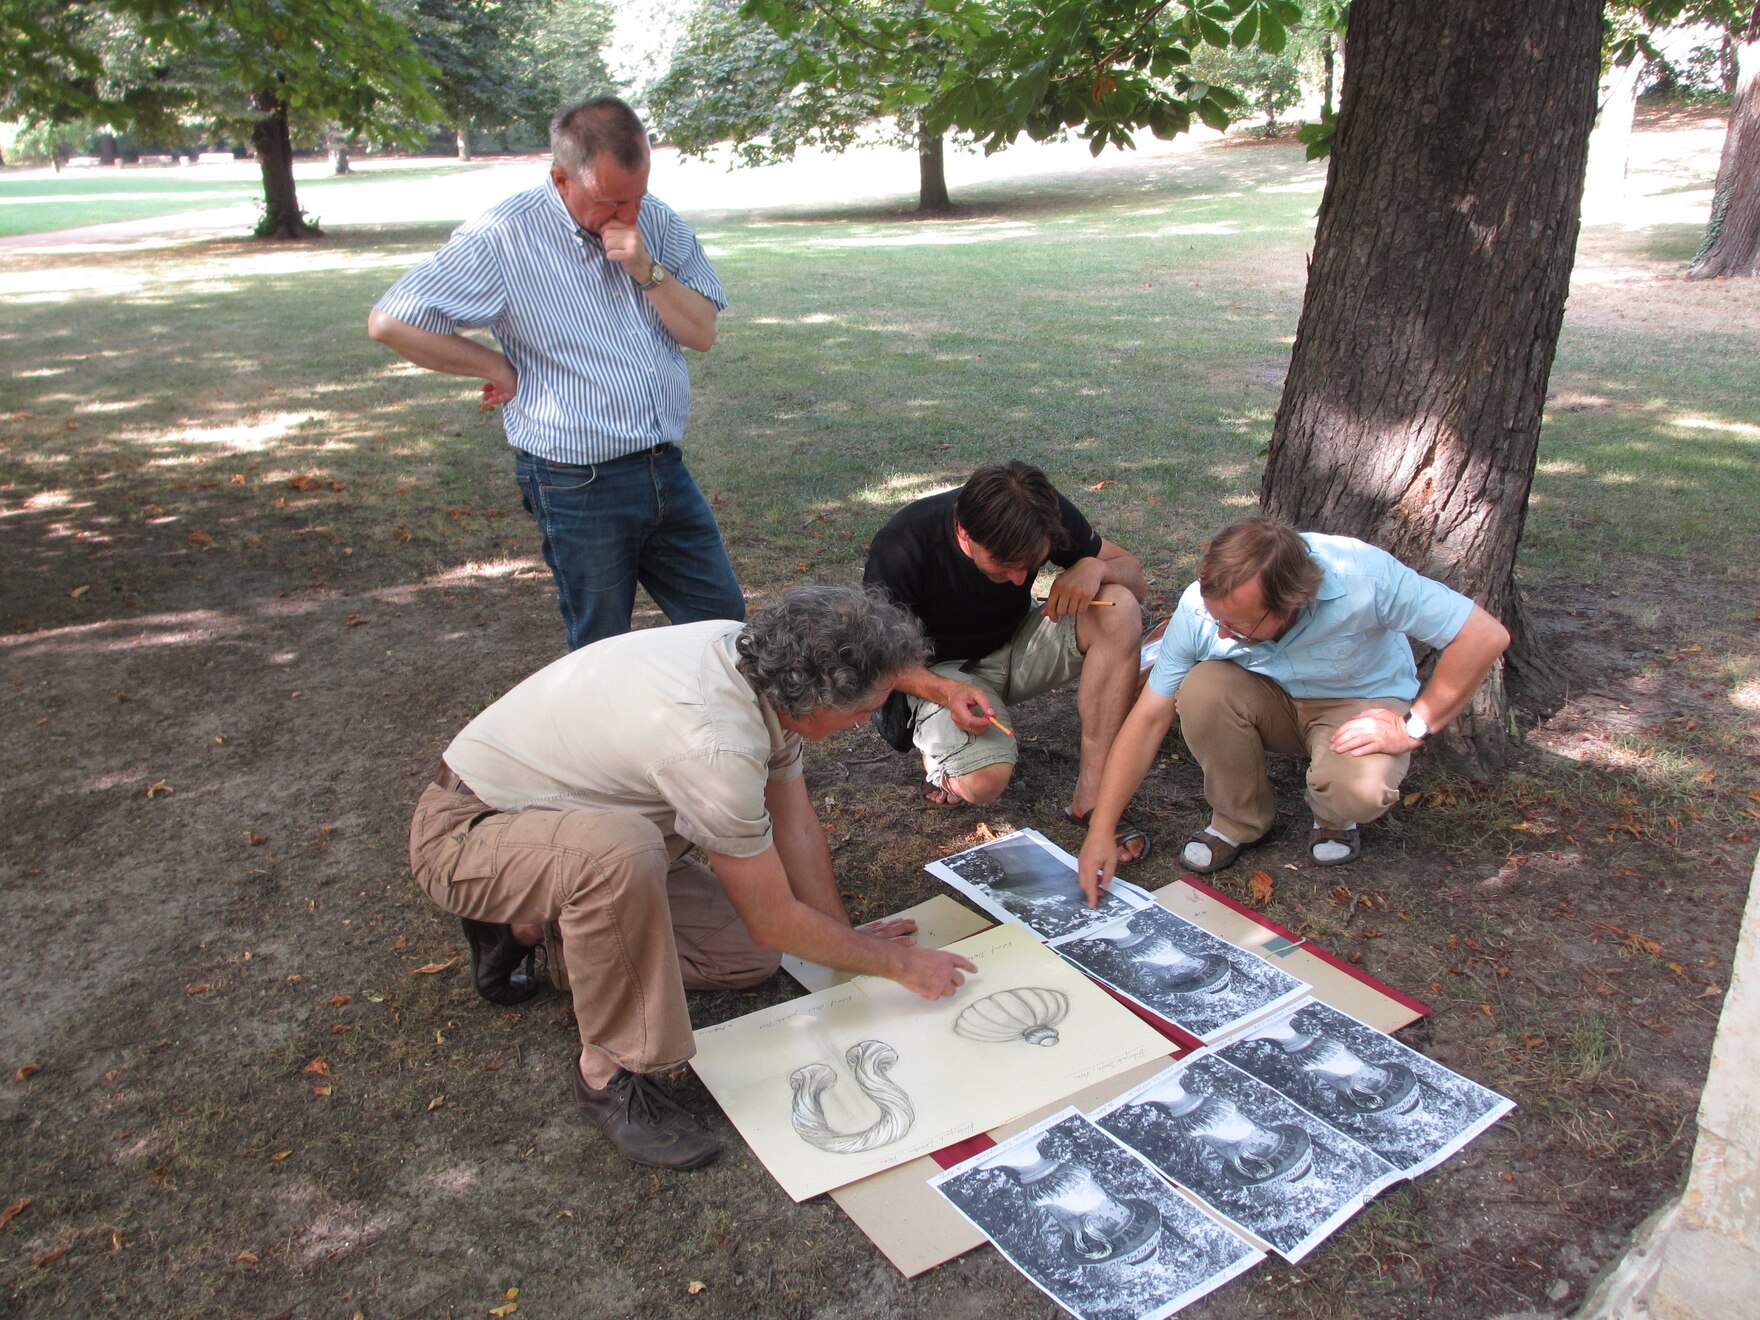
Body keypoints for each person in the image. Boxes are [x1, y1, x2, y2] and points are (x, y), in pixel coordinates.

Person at [408, 585, 975, 1170]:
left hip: (572, 827)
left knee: (749, 958)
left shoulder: (766, 670)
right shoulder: (715, 742)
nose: (864, 723)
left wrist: (845, 942)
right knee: (619, 857)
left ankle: (531, 929)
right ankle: (606, 1073)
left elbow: (796, 826)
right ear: (817, 703)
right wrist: (899, 966)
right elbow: (773, 916)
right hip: (471, 831)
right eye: (862, 710)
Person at [367, 96, 743, 651]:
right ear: (561, 180)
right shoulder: (503, 237)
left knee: (723, 622)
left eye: (636, 196)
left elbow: (702, 332)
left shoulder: (656, 222)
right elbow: (392, 321)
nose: (628, 215)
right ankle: (603, 740)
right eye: (610, 201)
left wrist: (646, 267)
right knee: (600, 644)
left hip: (663, 466)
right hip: (576, 481)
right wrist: (498, 366)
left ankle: (707, 735)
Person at [1076, 517, 1510, 899]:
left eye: (1241, 625)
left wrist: (1412, 728)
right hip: (1267, 696)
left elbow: (1483, 636)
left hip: (1355, 703)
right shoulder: (1199, 609)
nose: (1223, 635)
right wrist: (1100, 830)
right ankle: (1238, 820)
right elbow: (1148, 719)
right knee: (1200, 687)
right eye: (1216, 619)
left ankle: (1335, 817)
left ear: (1292, 602)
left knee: (1357, 791)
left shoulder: (1364, 575)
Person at [862, 461, 1151, 865]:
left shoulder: (1037, 511)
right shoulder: (904, 543)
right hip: (935, 672)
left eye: (1029, 565)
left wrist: (1096, 567)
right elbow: (877, 660)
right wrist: (947, 692)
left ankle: (1094, 795)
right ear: (964, 531)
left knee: (1119, 606)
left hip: (1017, 644)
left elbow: (1135, 580)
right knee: (984, 782)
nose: (1020, 580)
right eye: (1003, 567)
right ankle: (940, 757)